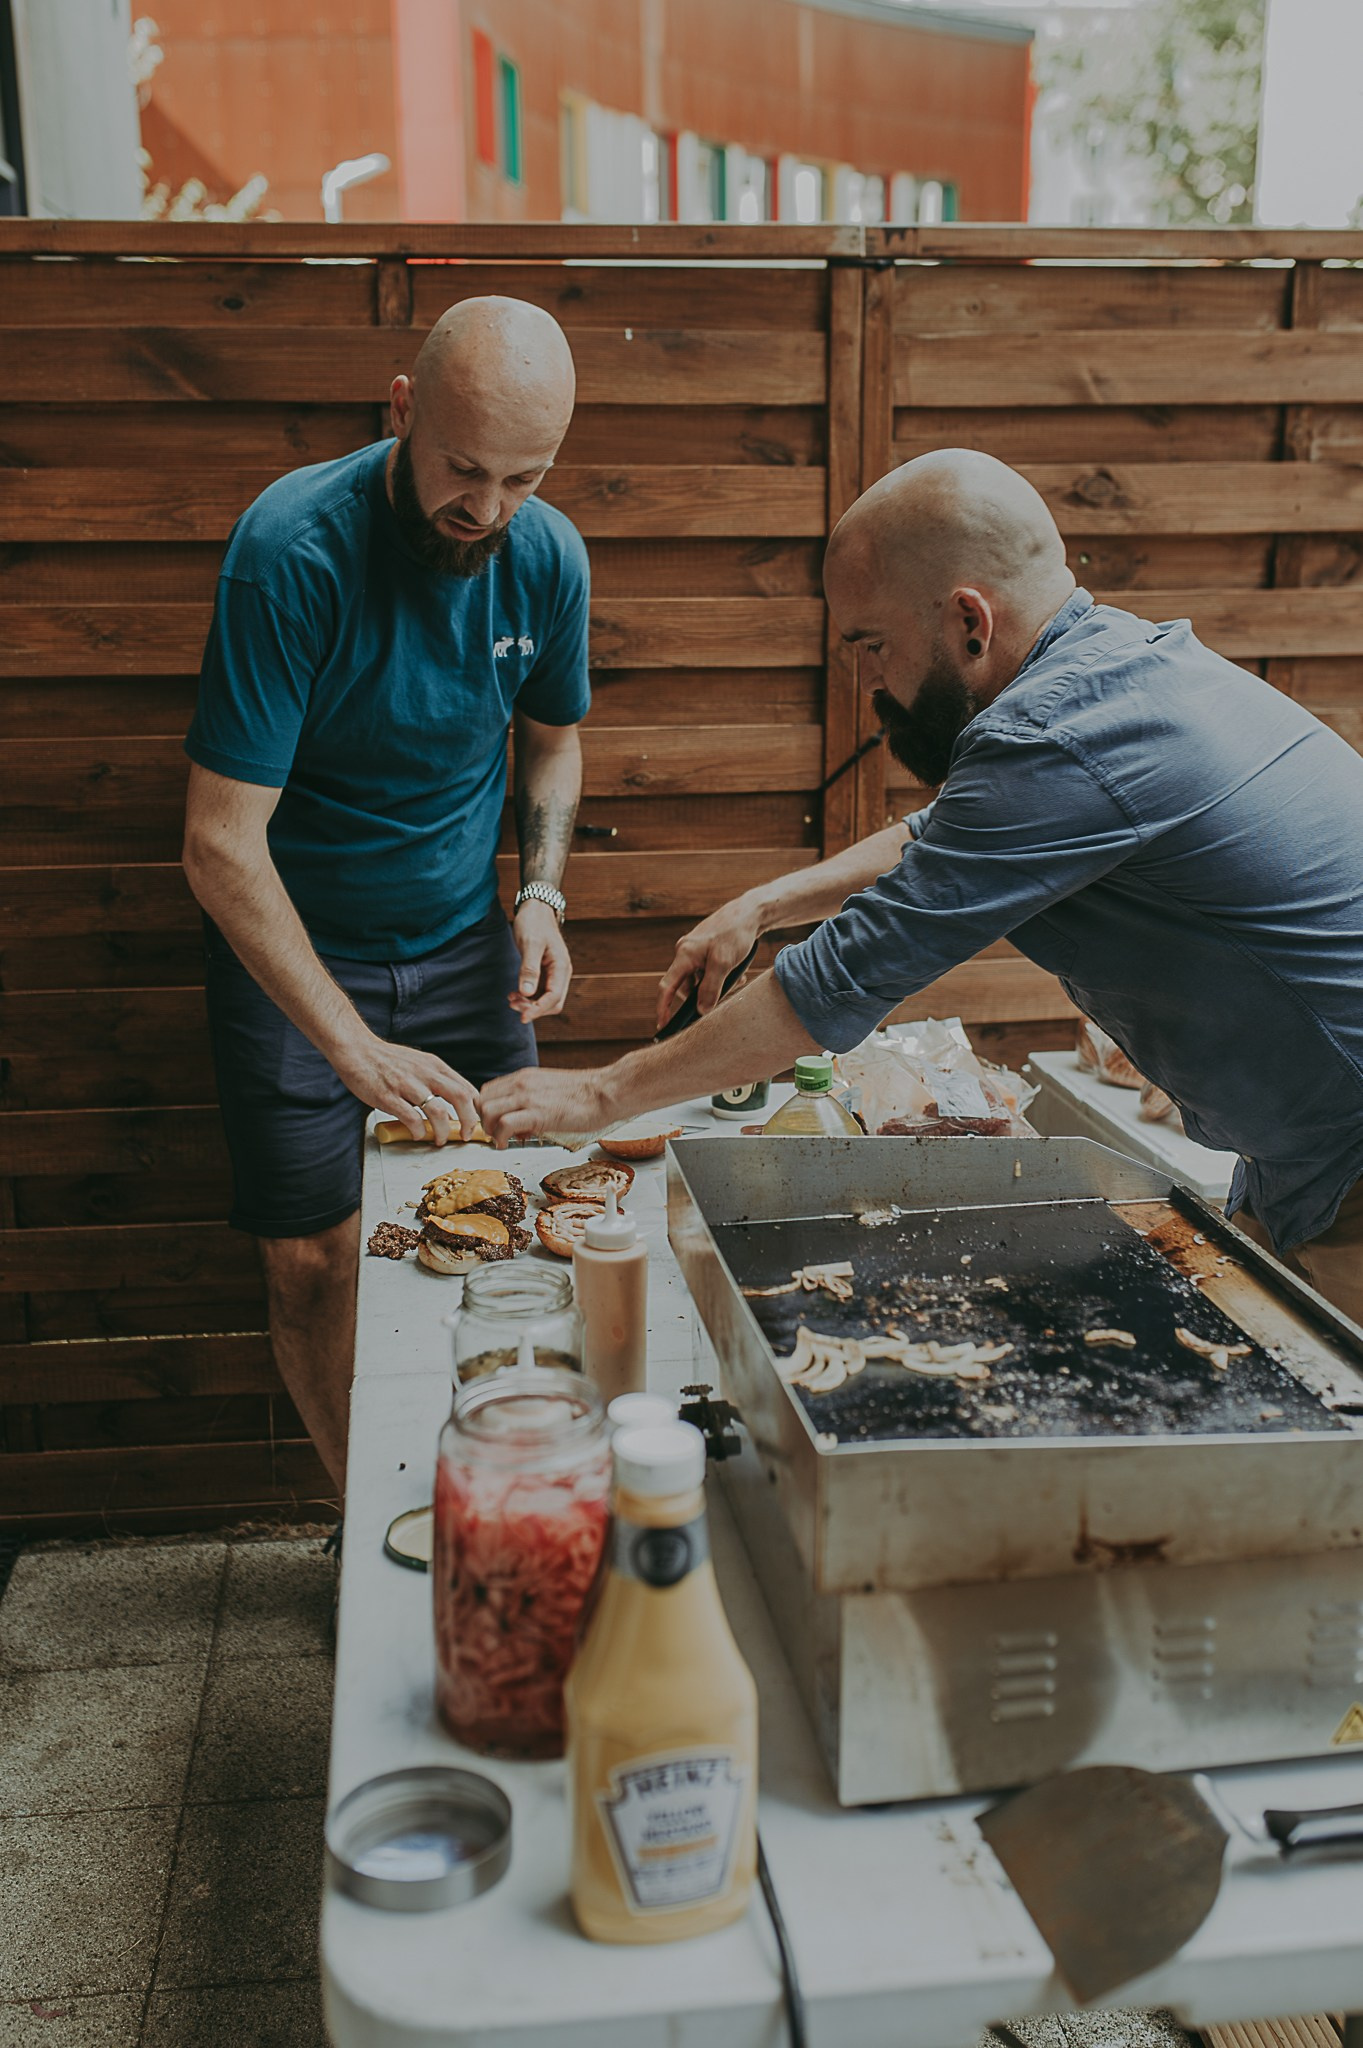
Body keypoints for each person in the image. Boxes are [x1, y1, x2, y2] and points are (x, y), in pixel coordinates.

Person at [481, 448, 1363, 1324]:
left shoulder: (1056, 735)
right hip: (1303, 1161)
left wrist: (599, 1095)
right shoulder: (1114, 668)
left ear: (969, 621)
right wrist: (764, 906)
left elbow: (837, 981)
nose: (866, 678)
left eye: (872, 645)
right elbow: (944, 831)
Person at [183, 297, 589, 1489]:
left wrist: (542, 893)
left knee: (511, 1219)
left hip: (465, 944)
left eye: (523, 478)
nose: (489, 509)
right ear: (403, 408)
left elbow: (552, 739)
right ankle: (380, 1528)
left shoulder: (549, 555)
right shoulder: (289, 550)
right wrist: (351, 1042)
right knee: (315, 1261)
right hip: (293, 958)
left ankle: (500, 1496)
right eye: (464, 469)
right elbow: (217, 845)